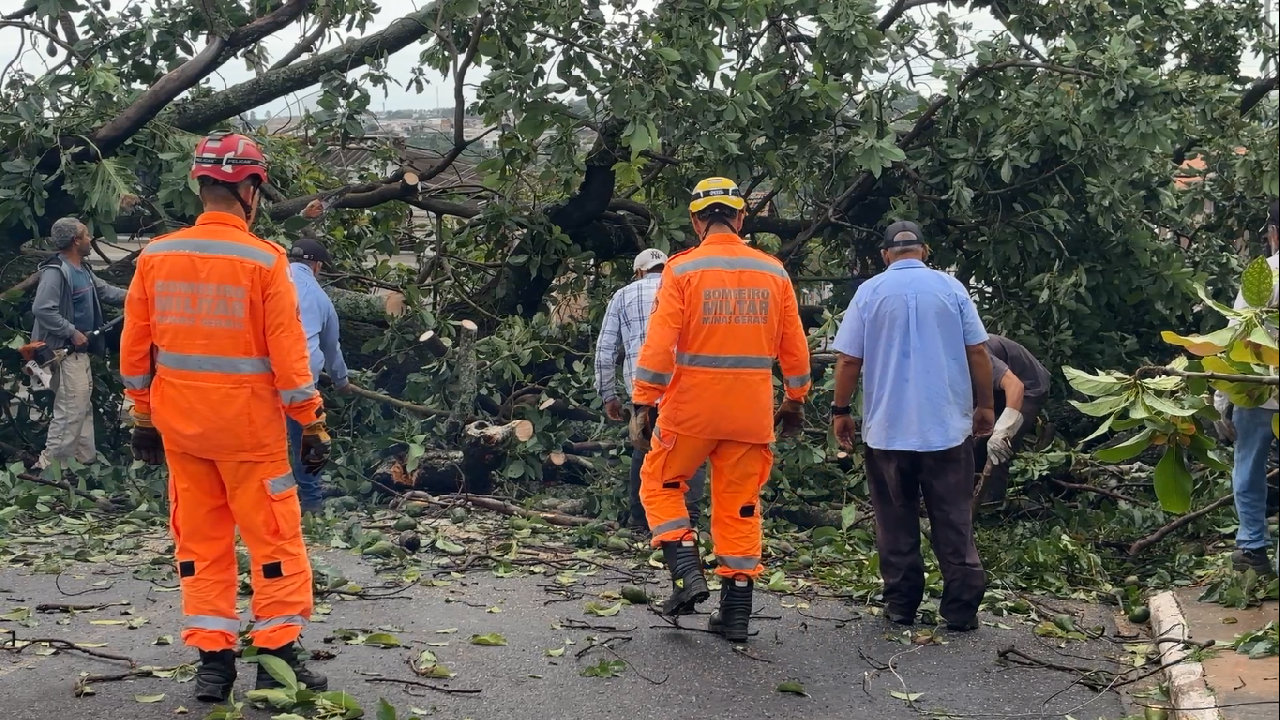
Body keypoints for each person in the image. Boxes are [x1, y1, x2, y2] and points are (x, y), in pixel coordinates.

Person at [118, 132, 332, 702]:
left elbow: (135, 351)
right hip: (251, 435)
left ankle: (214, 665)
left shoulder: (156, 257)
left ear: (202, 184)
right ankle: (276, 661)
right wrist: (311, 422)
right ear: (251, 188)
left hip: (182, 432)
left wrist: (142, 417)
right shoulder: (266, 262)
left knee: (200, 545)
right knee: (274, 544)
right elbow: (290, 359)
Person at [631, 177, 811, 643]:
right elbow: (795, 345)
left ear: (695, 221)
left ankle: (686, 569)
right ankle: (735, 614)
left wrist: (643, 400)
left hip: (690, 409)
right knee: (740, 507)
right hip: (750, 413)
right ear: (740, 217)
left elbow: (659, 342)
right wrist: (795, 400)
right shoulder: (773, 271)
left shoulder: (682, 269)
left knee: (660, 483)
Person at [829, 221, 994, 632]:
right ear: (925, 250)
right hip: (946, 430)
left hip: (888, 433)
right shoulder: (952, 289)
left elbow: (849, 360)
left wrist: (840, 410)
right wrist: (985, 405)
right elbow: (977, 350)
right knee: (953, 517)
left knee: (895, 519)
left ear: (885, 255)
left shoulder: (868, 293)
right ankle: (960, 608)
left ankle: (901, 605)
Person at [593, 248, 706, 531]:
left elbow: (606, 349)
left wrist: (608, 395)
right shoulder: (687, 287)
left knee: (645, 450)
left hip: (645, 390)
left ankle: (641, 521)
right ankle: (688, 521)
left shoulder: (623, 295)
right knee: (691, 450)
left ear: (640, 271)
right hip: (688, 386)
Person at [30, 217, 126, 471]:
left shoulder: (82, 270)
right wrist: (71, 332)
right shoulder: (56, 272)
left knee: (82, 406)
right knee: (71, 408)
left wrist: (140, 295)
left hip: (79, 353)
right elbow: (43, 309)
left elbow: (106, 292)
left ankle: (84, 463)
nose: (90, 239)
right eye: (86, 235)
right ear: (76, 241)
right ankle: (50, 469)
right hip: (63, 352)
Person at [1216, 200, 1279, 575]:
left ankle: (1253, 547)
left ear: (1273, 233)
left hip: (1257, 391)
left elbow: (1235, 338)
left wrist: (1221, 399)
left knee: (1250, 468)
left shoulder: (1263, 277)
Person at [286, 236, 352, 514]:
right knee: (308, 436)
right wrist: (341, 380)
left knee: (267, 440)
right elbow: (330, 346)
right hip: (302, 378)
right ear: (317, 267)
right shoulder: (321, 298)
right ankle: (311, 499)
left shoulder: (270, 282)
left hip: (261, 374)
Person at [975, 333, 1051, 504]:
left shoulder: (975, 355)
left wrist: (1003, 429)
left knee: (997, 445)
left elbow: (1015, 386)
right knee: (975, 440)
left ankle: (991, 505)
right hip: (997, 390)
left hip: (1028, 386)